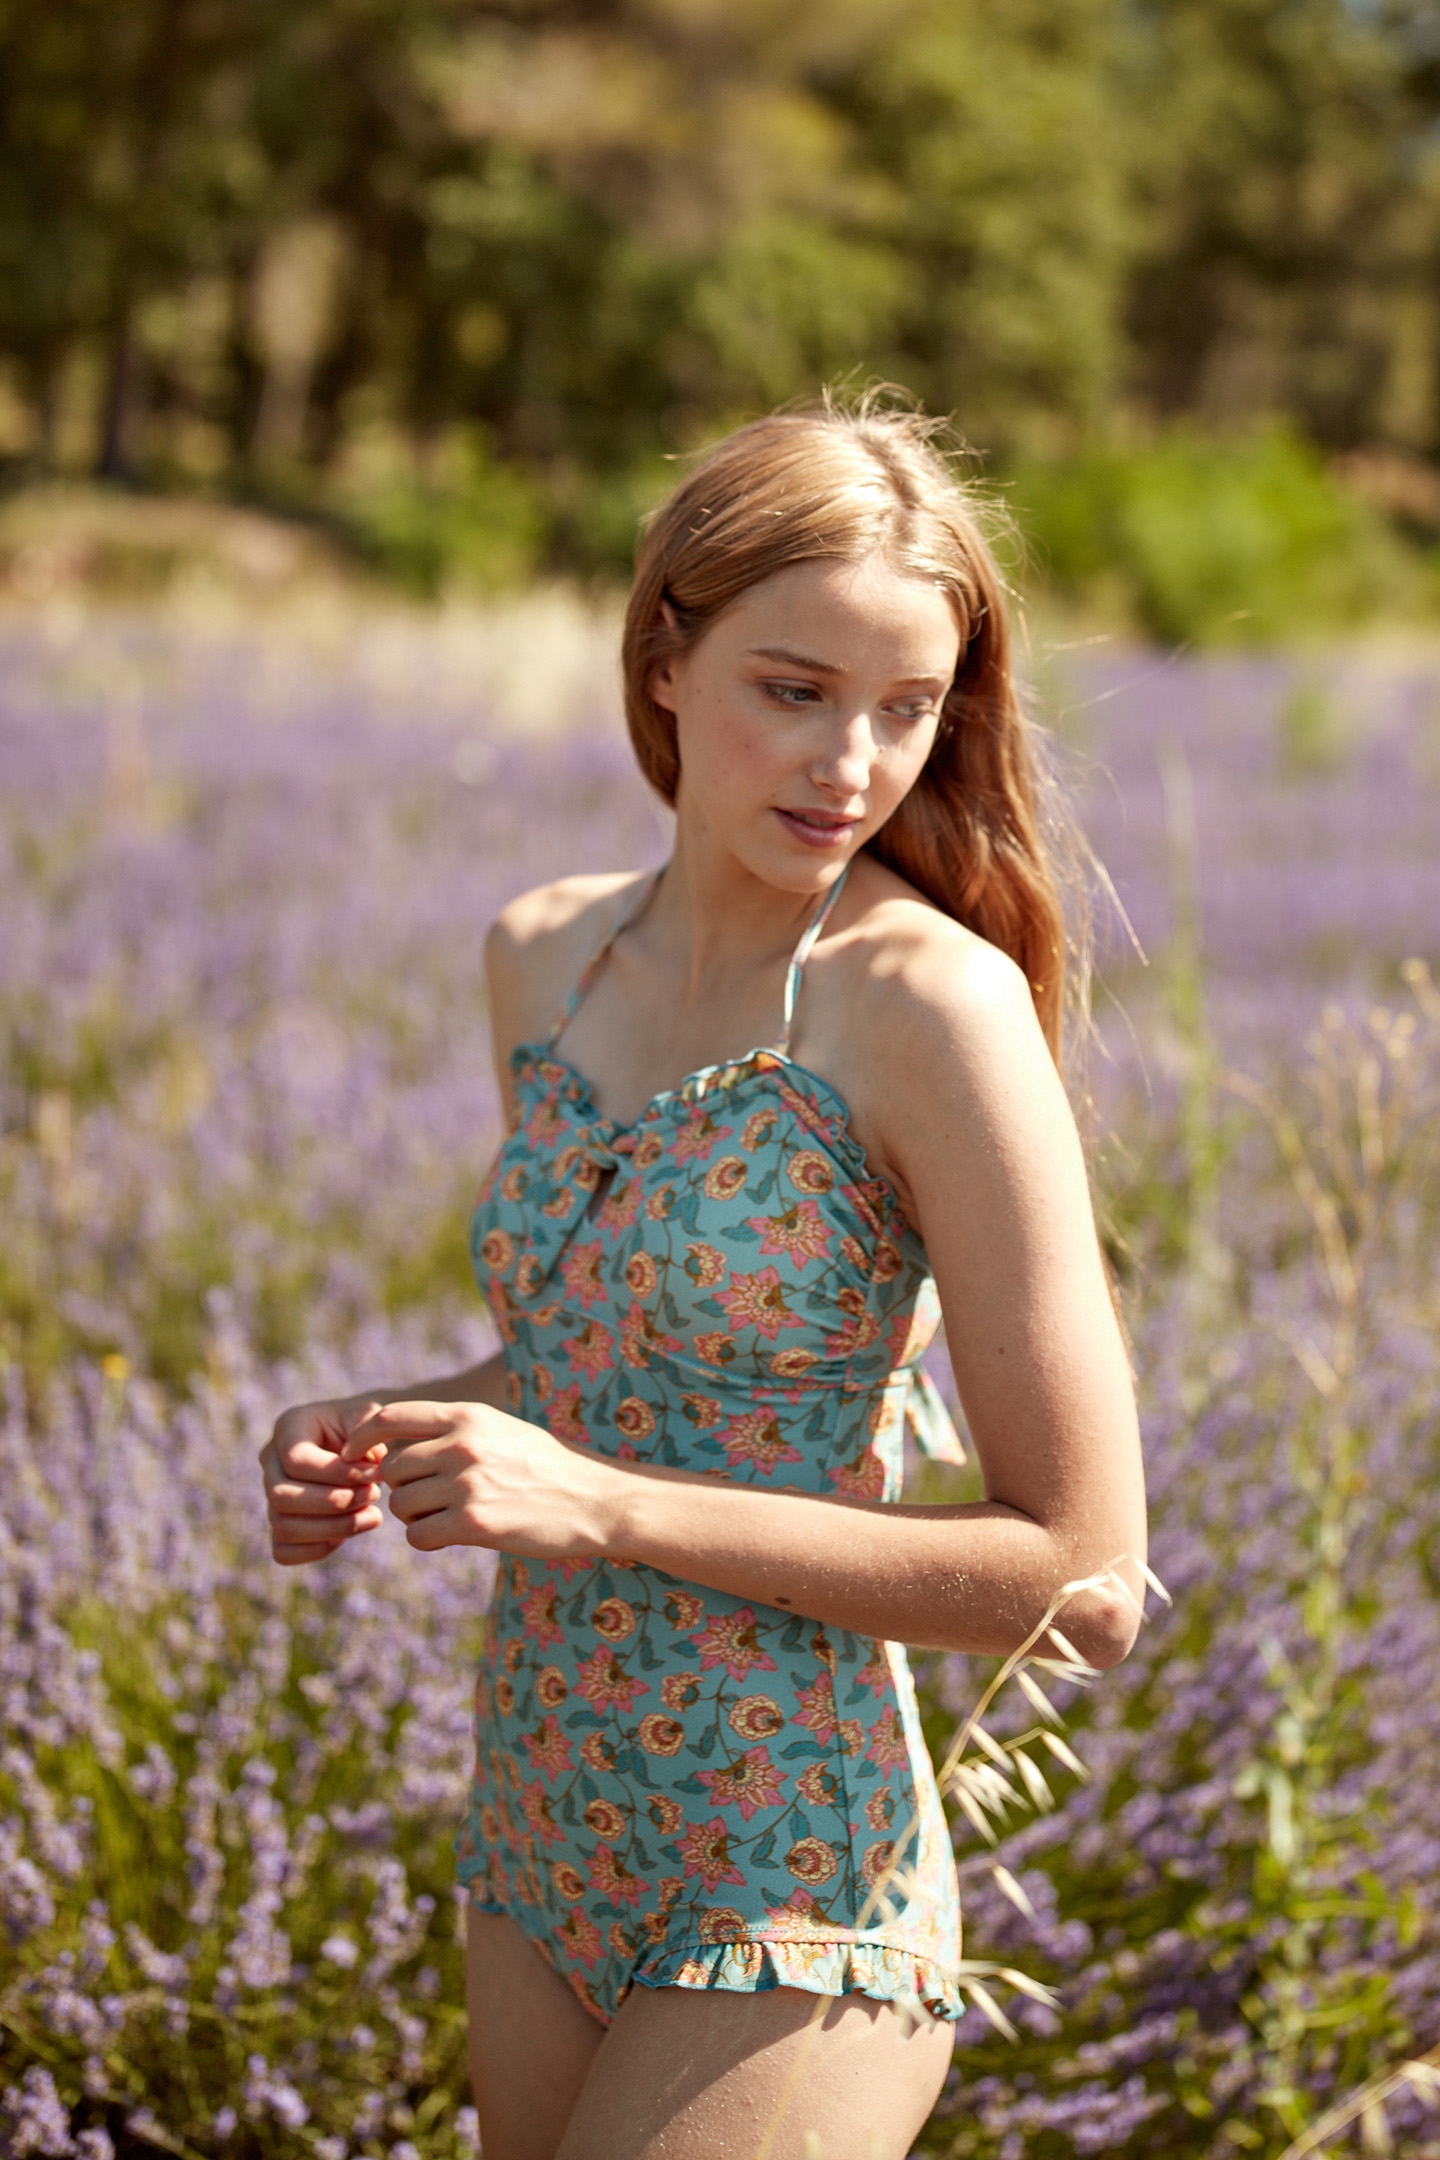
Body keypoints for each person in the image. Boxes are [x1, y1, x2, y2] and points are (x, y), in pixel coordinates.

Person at [259, 396, 1146, 2160]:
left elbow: (1086, 1580)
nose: (853, 764)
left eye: (910, 709)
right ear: (666, 659)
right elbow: (606, 1364)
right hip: (536, 1828)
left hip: (792, 1867)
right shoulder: (542, 959)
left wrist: (604, 1507)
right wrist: (394, 1421)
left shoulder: (929, 1011)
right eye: (794, 689)